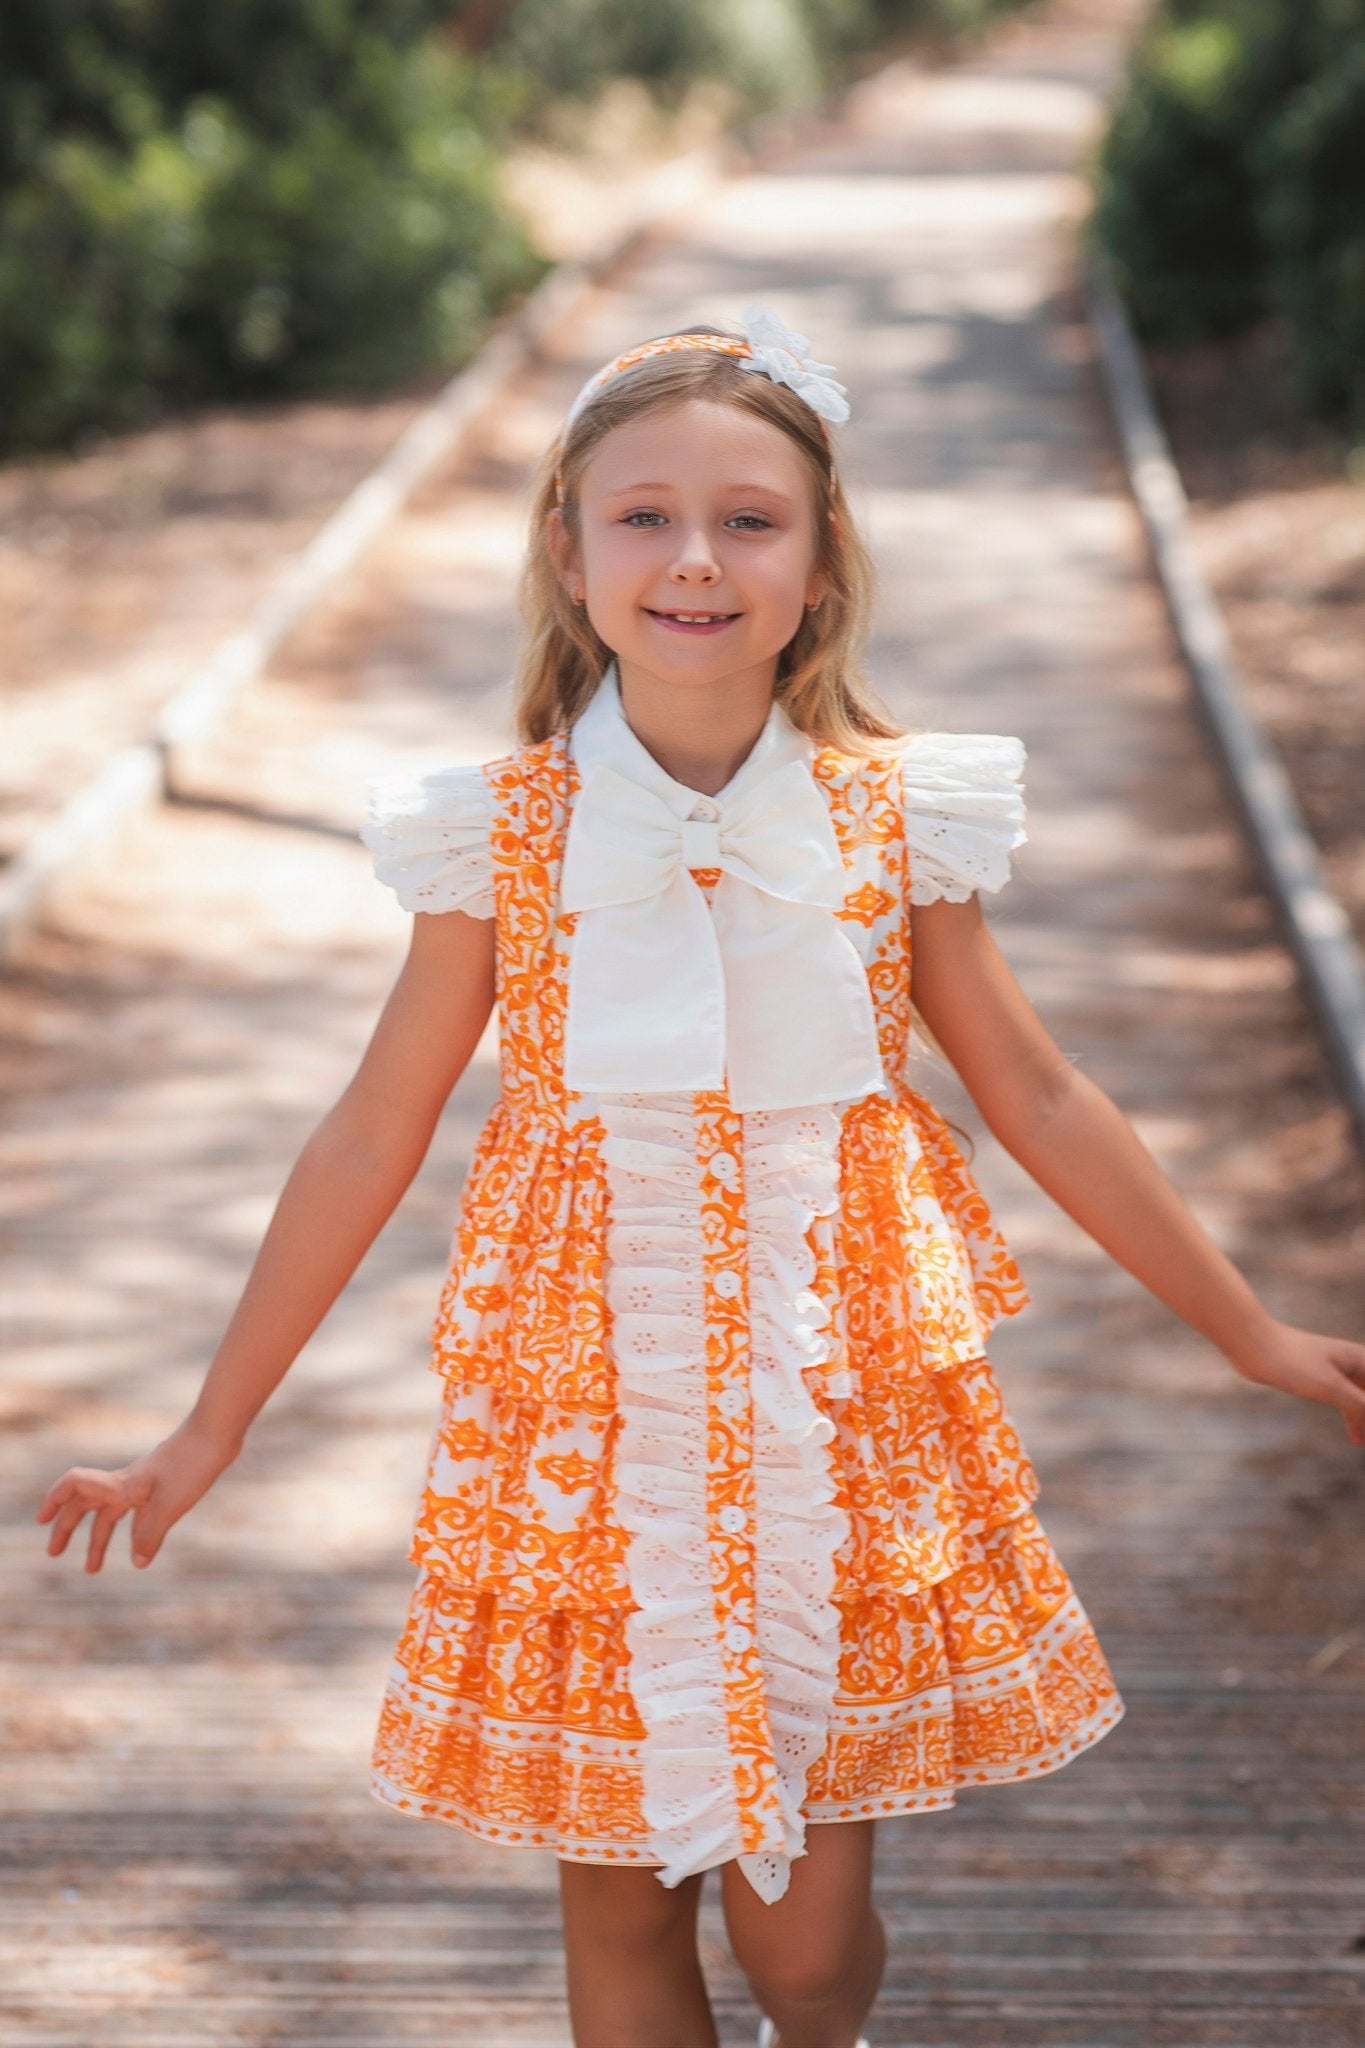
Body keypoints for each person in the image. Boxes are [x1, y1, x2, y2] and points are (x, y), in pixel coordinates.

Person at [35, 305, 1365, 2048]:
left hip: (839, 1404)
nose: (693, 558)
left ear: (818, 567)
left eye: (750, 519)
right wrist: (208, 1428)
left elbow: (1037, 1092)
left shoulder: (896, 820)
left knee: (805, 1946)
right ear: (569, 550)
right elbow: (369, 1130)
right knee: (619, 1904)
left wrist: (1249, 1329)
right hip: (587, 1431)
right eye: (642, 515)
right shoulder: (499, 837)